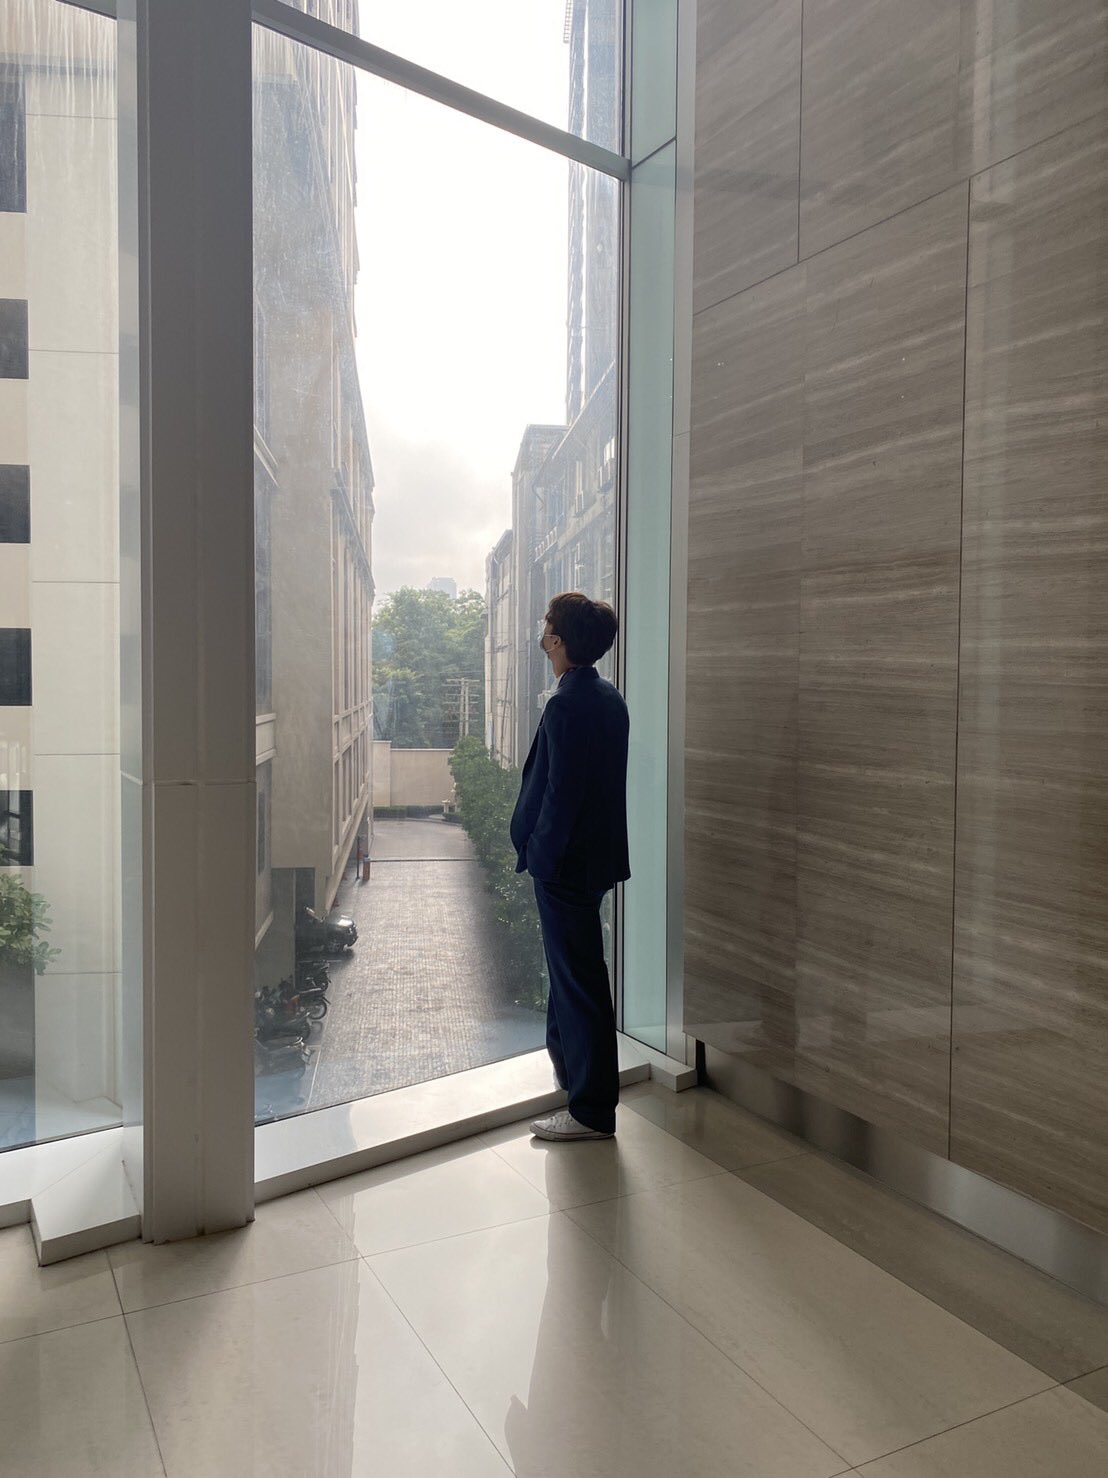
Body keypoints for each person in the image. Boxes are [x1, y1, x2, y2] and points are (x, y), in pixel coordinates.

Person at [510, 592, 630, 1141]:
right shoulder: (608, 696)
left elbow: (561, 795)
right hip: (593, 862)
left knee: (579, 984)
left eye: (547, 625)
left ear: (557, 640)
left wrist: (539, 853)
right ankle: (571, 1077)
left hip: (564, 867)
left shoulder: (566, 704)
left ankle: (591, 1110)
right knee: (573, 976)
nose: (542, 632)